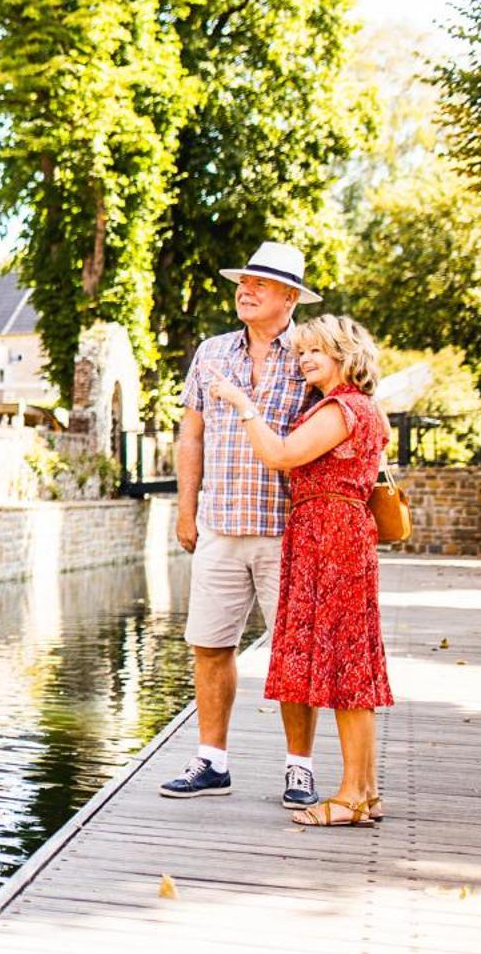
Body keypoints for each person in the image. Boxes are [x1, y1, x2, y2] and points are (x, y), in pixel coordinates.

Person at [207, 315, 392, 826]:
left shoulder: (341, 408)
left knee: (346, 664)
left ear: (345, 355)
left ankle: (353, 795)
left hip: (330, 535)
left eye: (317, 351)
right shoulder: (357, 407)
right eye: (302, 351)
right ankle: (365, 791)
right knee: (349, 660)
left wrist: (244, 405)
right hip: (333, 533)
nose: (305, 358)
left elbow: (281, 455)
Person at [161, 242, 320, 803]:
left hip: (289, 529)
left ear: (290, 297)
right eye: (242, 282)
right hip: (219, 525)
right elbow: (192, 435)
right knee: (209, 644)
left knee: (293, 650)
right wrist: (185, 510)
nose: (245, 291)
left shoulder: (312, 354)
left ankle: (299, 767)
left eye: (260, 284)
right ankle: (212, 761)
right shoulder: (211, 352)